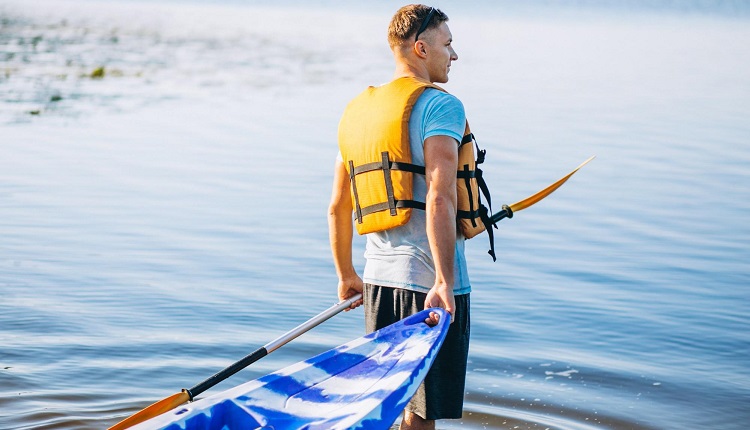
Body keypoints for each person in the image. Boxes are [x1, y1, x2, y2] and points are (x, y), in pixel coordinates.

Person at [328, 5, 480, 430]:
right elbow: (439, 196)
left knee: (387, 404)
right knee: (422, 416)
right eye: (447, 45)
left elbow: (338, 204)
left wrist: (346, 274)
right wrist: (445, 282)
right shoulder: (439, 106)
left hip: (377, 281)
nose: (454, 55)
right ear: (420, 48)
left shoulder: (359, 110)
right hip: (428, 284)